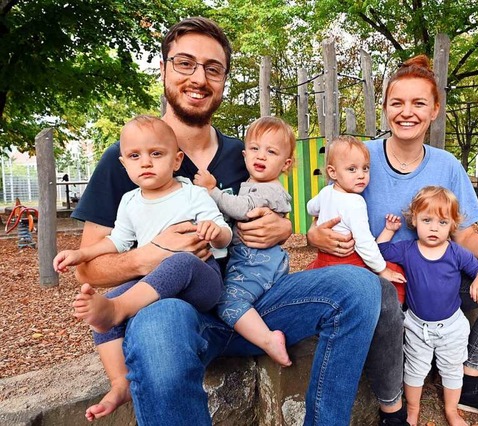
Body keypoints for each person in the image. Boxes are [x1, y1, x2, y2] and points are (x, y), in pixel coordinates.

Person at [71, 17, 382, 425]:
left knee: (359, 285)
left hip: (258, 303)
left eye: (212, 68)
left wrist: (287, 231)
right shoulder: (129, 156)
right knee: (159, 325)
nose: (199, 78)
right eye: (185, 63)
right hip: (181, 312)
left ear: (223, 81)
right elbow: (89, 267)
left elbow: (289, 214)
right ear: (163, 69)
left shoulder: (247, 152)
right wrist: (152, 256)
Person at [307, 54, 478, 426]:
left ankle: (467, 382)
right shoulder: (361, 158)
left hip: (436, 279)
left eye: (418, 103)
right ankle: (393, 406)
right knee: (379, 298)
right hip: (381, 279)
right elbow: (325, 216)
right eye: (397, 103)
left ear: (434, 110)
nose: (406, 112)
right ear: (385, 109)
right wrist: (313, 234)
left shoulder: (447, 165)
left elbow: (464, 237)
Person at [55, 115, 232, 421]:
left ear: (176, 161)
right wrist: (81, 253)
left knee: (177, 262)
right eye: (135, 156)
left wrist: (215, 232)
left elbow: (224, 231)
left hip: (201, 282)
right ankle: (120, 382)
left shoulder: (192, 193)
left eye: (156, 154)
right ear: (124, 164)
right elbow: (117, 241)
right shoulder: (129, 202)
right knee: (102, 306)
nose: (145, 163)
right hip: (157, 288)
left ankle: (119, 309)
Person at [377, 186, 478, 426]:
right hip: (418, 326)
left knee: (452, 370)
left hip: (451, 327)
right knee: (415, 370)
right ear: (414, 220)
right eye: (427, 220)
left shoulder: (456, 252)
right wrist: (388, 230)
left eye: (442, 222)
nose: (433, 227)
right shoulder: (408, 250)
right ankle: (413, 411)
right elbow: (380, 251)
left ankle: (452, 411)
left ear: (452, 225)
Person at [193, 116, 296, 367]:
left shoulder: (269, 189)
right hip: (254, 260)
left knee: (228, 303)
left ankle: (269, 340)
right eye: (254, 149)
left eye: (271, 152)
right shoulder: (253, 183)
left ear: (286, 163)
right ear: (244, 154)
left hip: (256, 261)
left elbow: (242, 210)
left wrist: (212, 190)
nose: (261, 156)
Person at [306, 135, 406, 285]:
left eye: (365, 168)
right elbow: (363, 241)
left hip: (323, 261)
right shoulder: (355, 202)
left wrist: (320, 216)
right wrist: (383, 270)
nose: (361, 175)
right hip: (347, 263)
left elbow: (310, 208)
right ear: (333, 172)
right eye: (352, 169)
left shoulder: (326, 192)